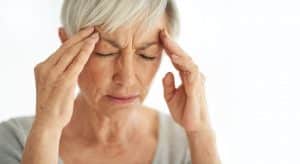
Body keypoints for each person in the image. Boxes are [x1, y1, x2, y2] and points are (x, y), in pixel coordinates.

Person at [0, 0, 221, 163]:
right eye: (105, 52)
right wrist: (46, 130)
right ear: (66, 45)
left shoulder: (183, 145)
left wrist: (200, 133)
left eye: (147, 55)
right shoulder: (15, 140)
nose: (126, 78)